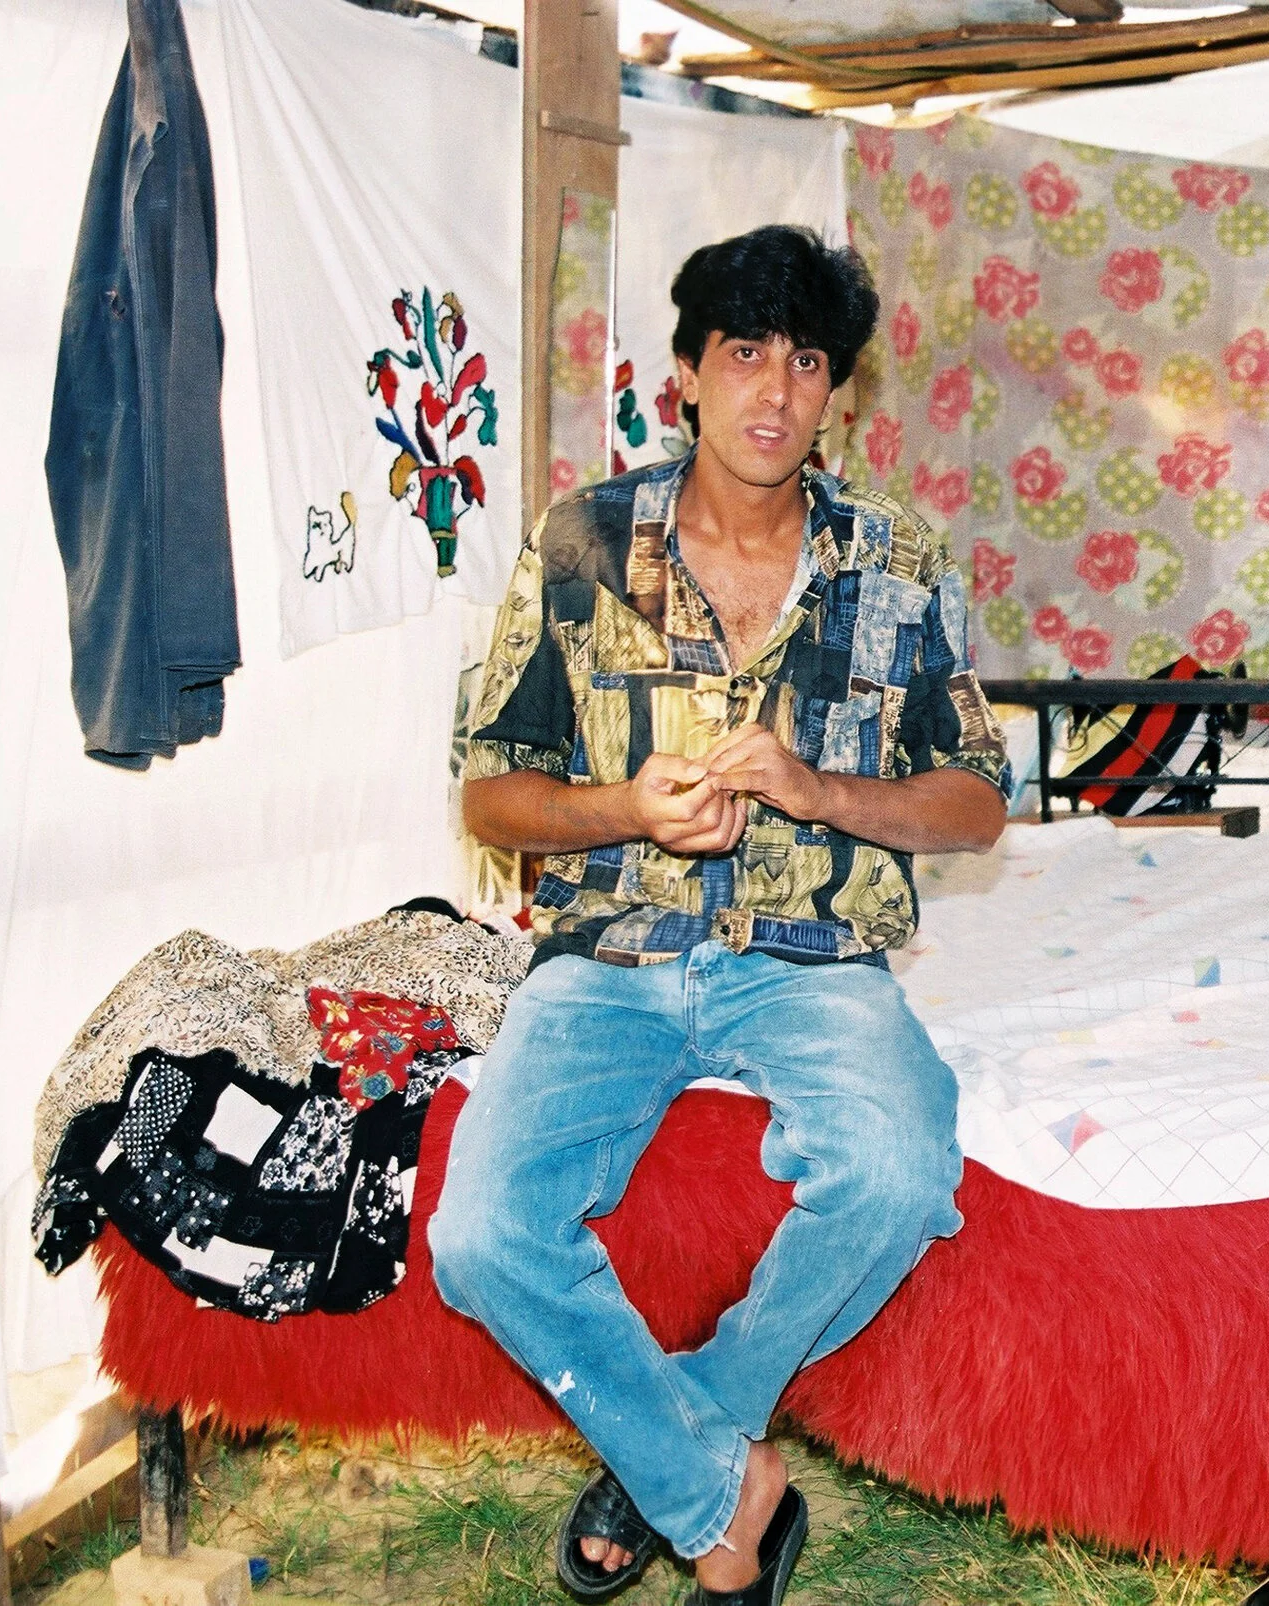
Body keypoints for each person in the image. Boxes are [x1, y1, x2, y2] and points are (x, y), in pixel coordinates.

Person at [429, 225, 1010, 1606]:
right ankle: (719, 1485)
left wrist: (820, 789)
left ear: (836, 395)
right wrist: (626, 808)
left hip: (812, 957)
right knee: (479, 1234)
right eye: (745, 352)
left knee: (898, 1171)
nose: (776, 390)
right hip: (610, 952)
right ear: (685, 374)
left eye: (808, 363)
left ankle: (677, 1439)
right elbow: (491, 793)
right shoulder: (581, 542)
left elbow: (978, 803)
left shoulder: (895, 558)